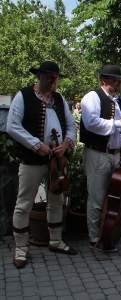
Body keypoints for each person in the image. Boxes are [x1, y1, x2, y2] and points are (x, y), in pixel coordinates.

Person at [7, 61, 77, 268]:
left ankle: (55, 241)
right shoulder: (24, 96)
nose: (54, 80)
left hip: (57, 159)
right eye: (49, 76)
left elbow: (71, 125)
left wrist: (66, 144)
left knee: (57, 199)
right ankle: (20, 249)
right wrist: (36, 145)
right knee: (24, 203)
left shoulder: (59, 99)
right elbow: (12, 126)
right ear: (40, 76)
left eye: (56, 76)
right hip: (32, 159)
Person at [80, 64, 121, 248]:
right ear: (103, 80)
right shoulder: (92, 97)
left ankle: (109, 231)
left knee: (113, 197)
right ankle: (94, 237)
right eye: (113, 80)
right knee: (96, 197)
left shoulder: (119, 102)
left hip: (115, 155)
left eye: (118, 80)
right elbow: (91, 123)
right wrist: (118, 123)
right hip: (98, 154)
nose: (117, 83)